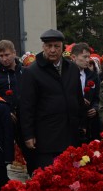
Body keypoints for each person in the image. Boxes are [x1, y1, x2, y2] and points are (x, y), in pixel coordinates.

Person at [18, 29, 84, 172]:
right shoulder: (32, 72)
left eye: (56, 46)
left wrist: (82, 124)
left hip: (71, 135)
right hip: (47, 138)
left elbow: (78, 98)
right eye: (49, 46)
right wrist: (28, 135)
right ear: (43, 47)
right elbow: (26, 106)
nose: (53, 50)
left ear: (62, 47)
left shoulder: (72, 68)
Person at [71, 42, 100, 143]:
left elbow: (97, 97)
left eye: (89, 57)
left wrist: (95, 108)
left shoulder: (93, 76)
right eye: (84, 57)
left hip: (88, 122)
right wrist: (78, 99)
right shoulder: (66, 75)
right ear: (73, 57)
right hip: (71, 120)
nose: (88, 60)